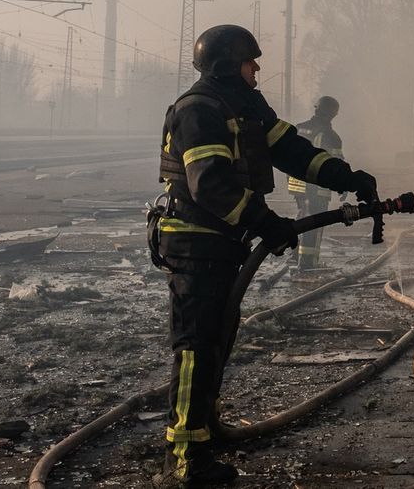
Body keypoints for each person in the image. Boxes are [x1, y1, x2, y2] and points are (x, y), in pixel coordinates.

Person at [152, 25, 377, 486]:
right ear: (226, 65)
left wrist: (347, 177)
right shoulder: (199, 111)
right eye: (250, 61)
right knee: (197, 345)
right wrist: (264, 222)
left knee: (218, 337)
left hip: (222, 242)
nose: (257, 69)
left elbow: (292, 151)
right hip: (194, 241)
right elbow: (210, 184)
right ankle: (185, 460)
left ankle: (202, 434)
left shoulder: (246, 106)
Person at [286, 95, 342, 268]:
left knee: (303, 215)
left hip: (296, 184)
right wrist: (343, 185)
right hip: (316, 186)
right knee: (315, 223)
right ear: (333, 114)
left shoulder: (299, 128)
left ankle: (295, 255)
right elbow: (336, 166)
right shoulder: (331, 136)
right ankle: (308, 262)